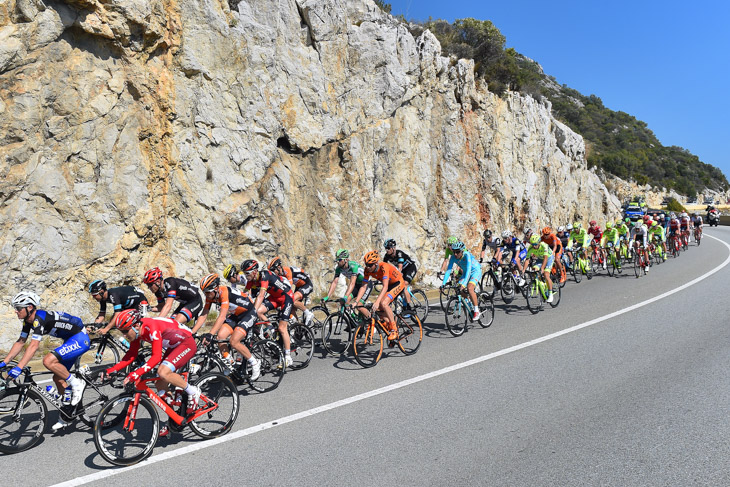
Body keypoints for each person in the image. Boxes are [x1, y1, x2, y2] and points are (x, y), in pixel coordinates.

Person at [1, 292, 90, 430]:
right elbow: (21, 342)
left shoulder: (39, 319)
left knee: (48, 360)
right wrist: (4, 362)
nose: (16, 311)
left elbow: (34, 345)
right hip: (70, 339)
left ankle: (77, 383)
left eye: (18, 308)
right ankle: (68, 414)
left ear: (29, 307)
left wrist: (19, 367)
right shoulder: (28, 321)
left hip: (80, 337)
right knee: (58, 377)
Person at [103, 310, 199, 437]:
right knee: (160, 384)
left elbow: (156, 357)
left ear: (136, 326)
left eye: (126, 331)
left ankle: (193, 391)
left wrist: (136, 374)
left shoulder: (151, 327)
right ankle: (175, 417)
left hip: (186, 343)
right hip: (174, 345)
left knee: (163, 372)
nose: (124, 335)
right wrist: (112, 369)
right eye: (122, 332)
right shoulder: (137, 332)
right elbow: (131, 355)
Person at [193, 274, 260, 380]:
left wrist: (210, 334)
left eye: (207, 292)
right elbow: (204, 314)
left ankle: (255, 363)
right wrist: (192, 332)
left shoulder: (224, 292)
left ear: (215, 288)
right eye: (204, 292)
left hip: (249, 313)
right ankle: (231, 364)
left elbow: (222, 316)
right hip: (236, 315)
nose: (206, 295)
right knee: (220, 337)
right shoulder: (211, 296)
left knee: (234, 341)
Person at [241, 259, 294, 368]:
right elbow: (244, 295)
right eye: (244, 273)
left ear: (255, 271)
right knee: (260, 311)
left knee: (282, 328)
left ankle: (288, 357)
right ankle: (270, 327)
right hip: (275, 298)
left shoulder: (265, 275)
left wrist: (253, 312)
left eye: (247, 273)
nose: (246, 276)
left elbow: (261, 295)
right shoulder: (251, 280)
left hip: (286, 297)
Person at [358, 250, 405, 340]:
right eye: (366, 264)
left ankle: (394, 329)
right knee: (378, 311)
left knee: (383, 303)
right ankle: (389, 326)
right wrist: (357, 301)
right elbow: (363, 286)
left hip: (398, 283)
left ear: (376, 263)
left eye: (370, 265)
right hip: (389, 286)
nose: (368, 267)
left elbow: (385, 287)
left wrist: (377, 301)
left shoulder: (384, 267)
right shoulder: (367, 270)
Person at [323, 249, 373, 320]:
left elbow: (352, 283)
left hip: (366, 285)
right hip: (357, 285)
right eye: (337, 260)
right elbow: (334, 282)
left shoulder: (353, 266)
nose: (337, 262)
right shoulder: (338, 268)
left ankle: (372, 322)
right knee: (344, 302)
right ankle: (354, 321)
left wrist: (345, 296)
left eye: (339, 260)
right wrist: (328, 296)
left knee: (359, 306)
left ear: (346, 260)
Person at [268, 257, 315, 326]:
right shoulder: (280, 274)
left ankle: (308, 313)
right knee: (291, 307)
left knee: (291, 300)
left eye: (273, 270)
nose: (273, 273)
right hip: (299, 287)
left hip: (307, 284)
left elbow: (288, 288)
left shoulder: (287, 271)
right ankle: (297, 325)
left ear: (278, 267)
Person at [441, 241, 482, 319]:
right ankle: (469, 301)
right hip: (466, 272)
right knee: (458, 289)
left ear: (462, 251)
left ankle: (477, 311)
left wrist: (464, 284)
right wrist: (443, 284)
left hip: (475, 271)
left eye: (457, 252)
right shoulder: (453, 257)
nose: (455, 254)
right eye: (454, 252)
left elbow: (469, 270)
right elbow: (448, 270)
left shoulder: (467, 256)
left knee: (470, 288)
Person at [383, 238, 418, 309]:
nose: (387, 250)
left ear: (393, 248)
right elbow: (384, 268)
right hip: (403, 271)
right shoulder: (386, 256)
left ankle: (409, 306)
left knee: (404, 284)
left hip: (410, 268)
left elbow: (400, 268)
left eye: (388, 248)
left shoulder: (399, 254)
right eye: (386, 248)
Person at [525, 235, 555, 303]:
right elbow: (527, 260)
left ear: (539, 242)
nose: (534, 246)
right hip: (540, 259)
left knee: (546, 274)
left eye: (535, 244)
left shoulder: (544, 246)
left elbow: (546, 258)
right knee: (534, 270)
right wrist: (523, 270)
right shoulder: (531, 248)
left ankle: (550, 294)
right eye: (532, 244)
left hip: (549, 259)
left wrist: (542, 268)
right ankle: (540, 283)